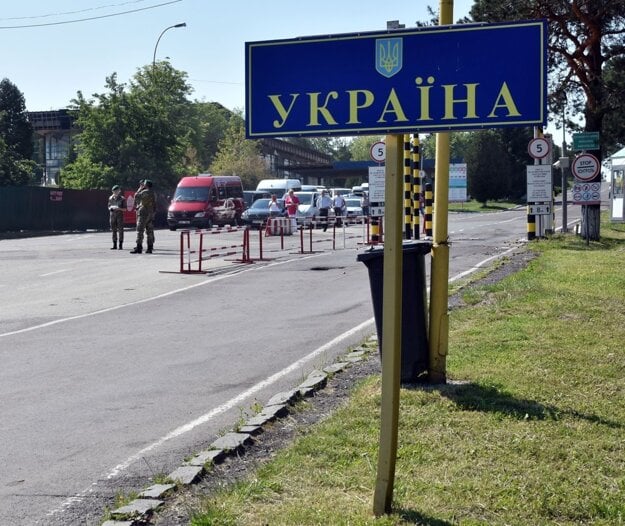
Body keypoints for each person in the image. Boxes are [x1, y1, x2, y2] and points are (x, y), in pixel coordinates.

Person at [130, 179, 156, 254]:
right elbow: (154, 204)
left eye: (144, 184)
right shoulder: (154, 193)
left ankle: (139, 248)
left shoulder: (144, 192)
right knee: (149, 231)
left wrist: (140, 189)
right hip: (150, 213)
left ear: (146, 185)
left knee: (140, 230)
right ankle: (150, 248)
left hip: (143, 213)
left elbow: (136, 197)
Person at [108, 185, 126, 250]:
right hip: (112, 216)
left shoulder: (122, 199)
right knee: (113, 231)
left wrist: (119, 208)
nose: (115, 192)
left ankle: (120, 244)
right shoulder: (110, 198)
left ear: (119, 191)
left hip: (119, 216)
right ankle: (114, 245)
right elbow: (109, 206)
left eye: (117, 191)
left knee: (121, 230)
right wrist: (110, 208)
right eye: (114, 191)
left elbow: (125, 209)